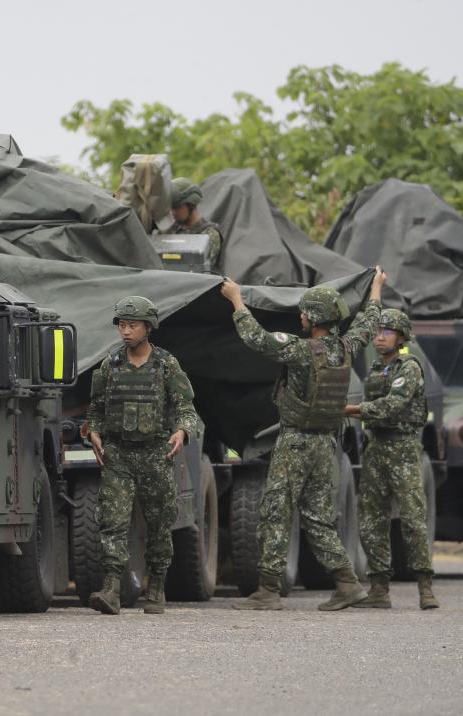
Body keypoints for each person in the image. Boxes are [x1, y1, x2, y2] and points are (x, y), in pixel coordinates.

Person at [222, 267, 386, 610]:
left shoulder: (300, 350)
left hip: (295, 443)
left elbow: (258, 339)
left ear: (314, 318)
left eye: (303, 312)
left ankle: (267, 591)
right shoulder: (345, 347)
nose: (299, 317)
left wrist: (236, 299)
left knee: (275, 513)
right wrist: (376, 289)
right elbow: (369, 323)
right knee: (318, 517)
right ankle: (346, 583)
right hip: (327, 445)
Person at [86, 296, 202, 615]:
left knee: (160, 524)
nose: (125, 331)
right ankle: (111, 588)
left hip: (155, 455)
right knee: (112, 521)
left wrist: (182, 431)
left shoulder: (167, 365)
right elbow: (95, 408)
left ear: (148, 327)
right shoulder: (110, 365)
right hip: (119, 456)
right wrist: (93, 431)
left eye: (132, 325)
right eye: (122, 325)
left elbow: (186, 408)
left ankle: (157, 587)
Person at [345, 308, 438, 610]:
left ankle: (425, 588)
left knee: (412, 519)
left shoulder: (409, 367)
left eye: (388, 331)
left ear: (401, 337)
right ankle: (379, 588)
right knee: (371, 520)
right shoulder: (375, 368)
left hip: (403, 451)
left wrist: (352, 410)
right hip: (377, 449)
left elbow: (392, 406)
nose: (380, 336)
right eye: (379, 331)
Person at [166, 178, 224, 272]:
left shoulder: (209, 234)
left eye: (177, 207)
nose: (173, 212)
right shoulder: (171, 230)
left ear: (191, 204)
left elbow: (200, 270)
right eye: (171, 208)